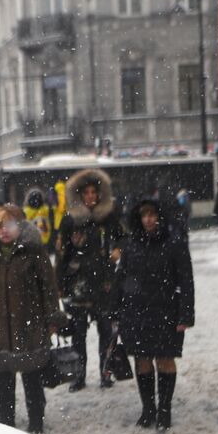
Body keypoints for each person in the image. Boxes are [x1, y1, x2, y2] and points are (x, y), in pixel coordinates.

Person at [0, 209, 63, 434]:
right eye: (0, 226)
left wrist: (51, 317)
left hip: (28, 322)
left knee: (30, 372)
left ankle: (36, 420)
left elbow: (48, 287)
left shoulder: (33, 252)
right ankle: (6, 422)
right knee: (4, 373)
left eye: (9, 225)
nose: (4, 231)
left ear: (20, 227)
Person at [109, 198, 195, 432]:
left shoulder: (174, 243)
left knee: (165, 359)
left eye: (152, 214)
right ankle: (148, 409)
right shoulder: (131, 244)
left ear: (159, 216)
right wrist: (114, 310)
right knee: (142, 360)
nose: (148, 219)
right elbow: (121, 278)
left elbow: (186, 280)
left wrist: (186, 314)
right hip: (136, 312)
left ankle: (164, 410)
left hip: (166, 311)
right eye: (144, 215)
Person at [61, 167, 122, 389]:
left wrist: (118, 250)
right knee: (78, 333)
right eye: (85, 193)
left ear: (99, 194)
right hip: (78, 283)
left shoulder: (109, 217)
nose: (90, 197)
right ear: (79, 195)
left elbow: (124, 238)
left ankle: (106, 372)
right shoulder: (70, 220)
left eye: (93, 193)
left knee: (106, 330)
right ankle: (79, 375)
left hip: (104, 281)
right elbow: (63, 255)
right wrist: (60, 285)